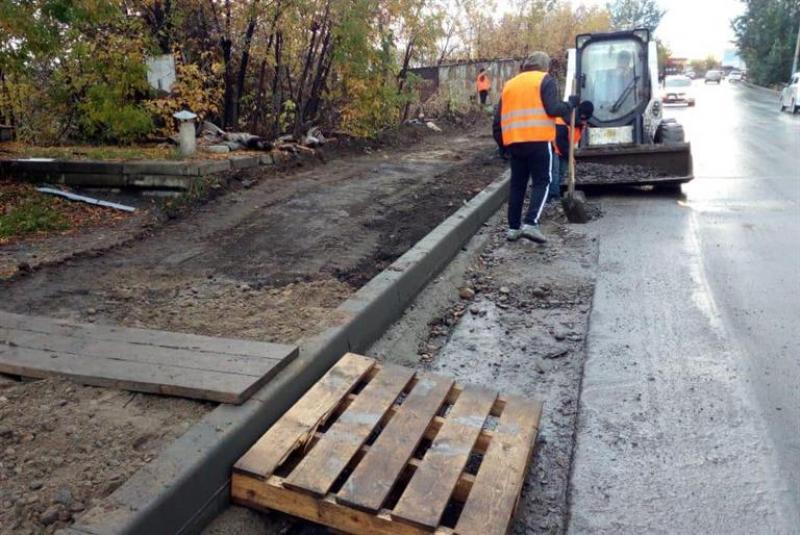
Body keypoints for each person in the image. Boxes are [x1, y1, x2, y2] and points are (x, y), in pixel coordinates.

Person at [492, 52, 579, 243]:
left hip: (515, 143)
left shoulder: (509, 85)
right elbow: (553, 109)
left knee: (517, 185)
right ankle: (531, 223)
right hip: (539, 141)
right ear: (545, 66)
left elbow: (497, 120)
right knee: (543, 181)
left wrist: (502, 145)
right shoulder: (545, 80)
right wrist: (570, 104)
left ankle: (513, 229)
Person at [548, 101, 594, 202]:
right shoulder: (563, 121)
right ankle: (552, 197)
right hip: (554, 146)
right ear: (581, 115)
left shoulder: (579, 122)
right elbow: (561, 142)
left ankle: (557, 194)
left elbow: (570, 140)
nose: (585, 122)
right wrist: (570, 156)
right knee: (554, 172)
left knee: (561, 172)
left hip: (564, 147)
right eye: (584, 119)